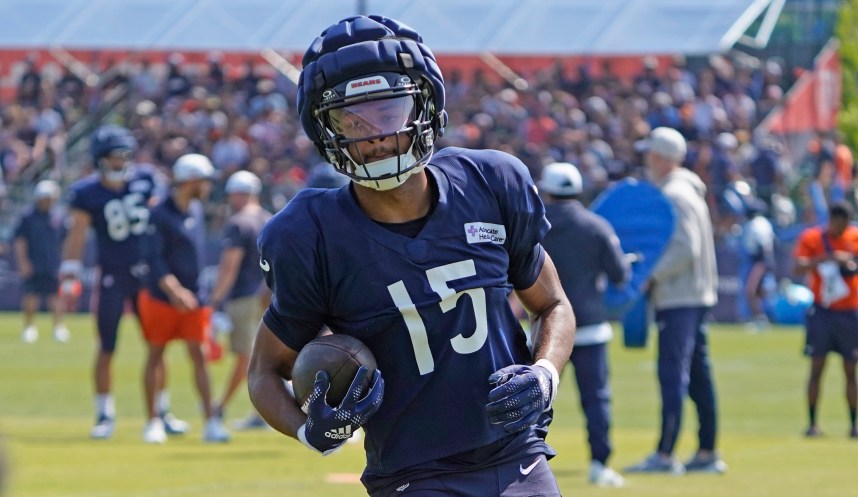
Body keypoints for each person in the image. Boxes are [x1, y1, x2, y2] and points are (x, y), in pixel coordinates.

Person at [247, 15, 575, 497]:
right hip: (410, 477)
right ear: (324, 130)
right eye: (350, 119)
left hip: (517, 460)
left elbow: (553, 305)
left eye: (388, 111)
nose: (374, 133)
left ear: (424, 106)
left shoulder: (491, 184)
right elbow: (264, 371)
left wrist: (544, 373)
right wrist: (309, 430)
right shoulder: (309, 234)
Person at [60, 125, 188, 440]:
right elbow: (77, 234)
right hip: (112, 276)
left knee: (157, 348)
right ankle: (104, 414)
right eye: (115, 157)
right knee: (106, 346)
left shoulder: (146, 180)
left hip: (147, 274)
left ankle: (162, 409)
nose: (122, 162)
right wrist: (70, 273)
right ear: (101, 160)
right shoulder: (86, 193)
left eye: (124, 156)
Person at [625, 127, 726, 475]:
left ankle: (665, 455)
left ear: (658, 157)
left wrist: (650, 276)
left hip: (679, 296)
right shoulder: (687, 189)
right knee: (698, 373)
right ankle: (707, 451)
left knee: (673, 374)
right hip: (694, 295)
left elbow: (686, 247)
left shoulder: (674, 194)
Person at [537, 162, 630, 487]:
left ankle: (526, 463)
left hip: (545, 327)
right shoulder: (596, 226)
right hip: (589, 325)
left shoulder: (535, 226)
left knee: (535, 399)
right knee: (597, 399)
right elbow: (620, 275)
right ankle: (600, 463)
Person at [138, 153, 229, 444]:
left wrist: (190, 294)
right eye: (203, 180)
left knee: (199, 357)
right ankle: (153, 421)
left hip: (195, 299)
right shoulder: (159, 212)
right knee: (155, 354)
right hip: (162, 298)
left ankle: (211, 422)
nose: (207, 186)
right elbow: (155, 259)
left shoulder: (196, 209)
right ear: (190, 180)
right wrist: (175, 291)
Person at [208, 170, 272, 430]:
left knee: (247, 358)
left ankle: (220, 407)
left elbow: (228, 268)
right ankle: (262, 413)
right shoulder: (269, 219)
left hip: (244, 298)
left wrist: (214, 301)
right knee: (264, 357)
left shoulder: (238, 223)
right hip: (269, 296)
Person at [793, 200, 858, 438]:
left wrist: (848, 262)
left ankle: (853, 425)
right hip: (822, 311)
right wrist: (827, 257)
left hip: (849, 312)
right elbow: (798, 267)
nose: (840, 230)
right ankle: (812, 424)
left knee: (851, 370)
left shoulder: (855, 237)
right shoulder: (813, 238)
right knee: (816, 367)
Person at [14, 179, 68, 343]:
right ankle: (29, 327)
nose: (47, 201)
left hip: (53, 263)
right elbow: (20, 241)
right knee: (31, 295)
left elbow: (66, 241)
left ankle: (58, 327)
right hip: (34, 262)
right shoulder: (28, 216)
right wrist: (23, 262)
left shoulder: (58, 217)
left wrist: (65, 263)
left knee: (56, 297)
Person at [741, 198, 776, 331]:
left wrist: (761, 264)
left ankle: (761, 319)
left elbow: (762, 246)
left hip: (759, 261)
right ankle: (763, 319)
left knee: (751, 290)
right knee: (759, 292)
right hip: (763, 260)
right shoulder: (765, 223)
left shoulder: (755, 224)